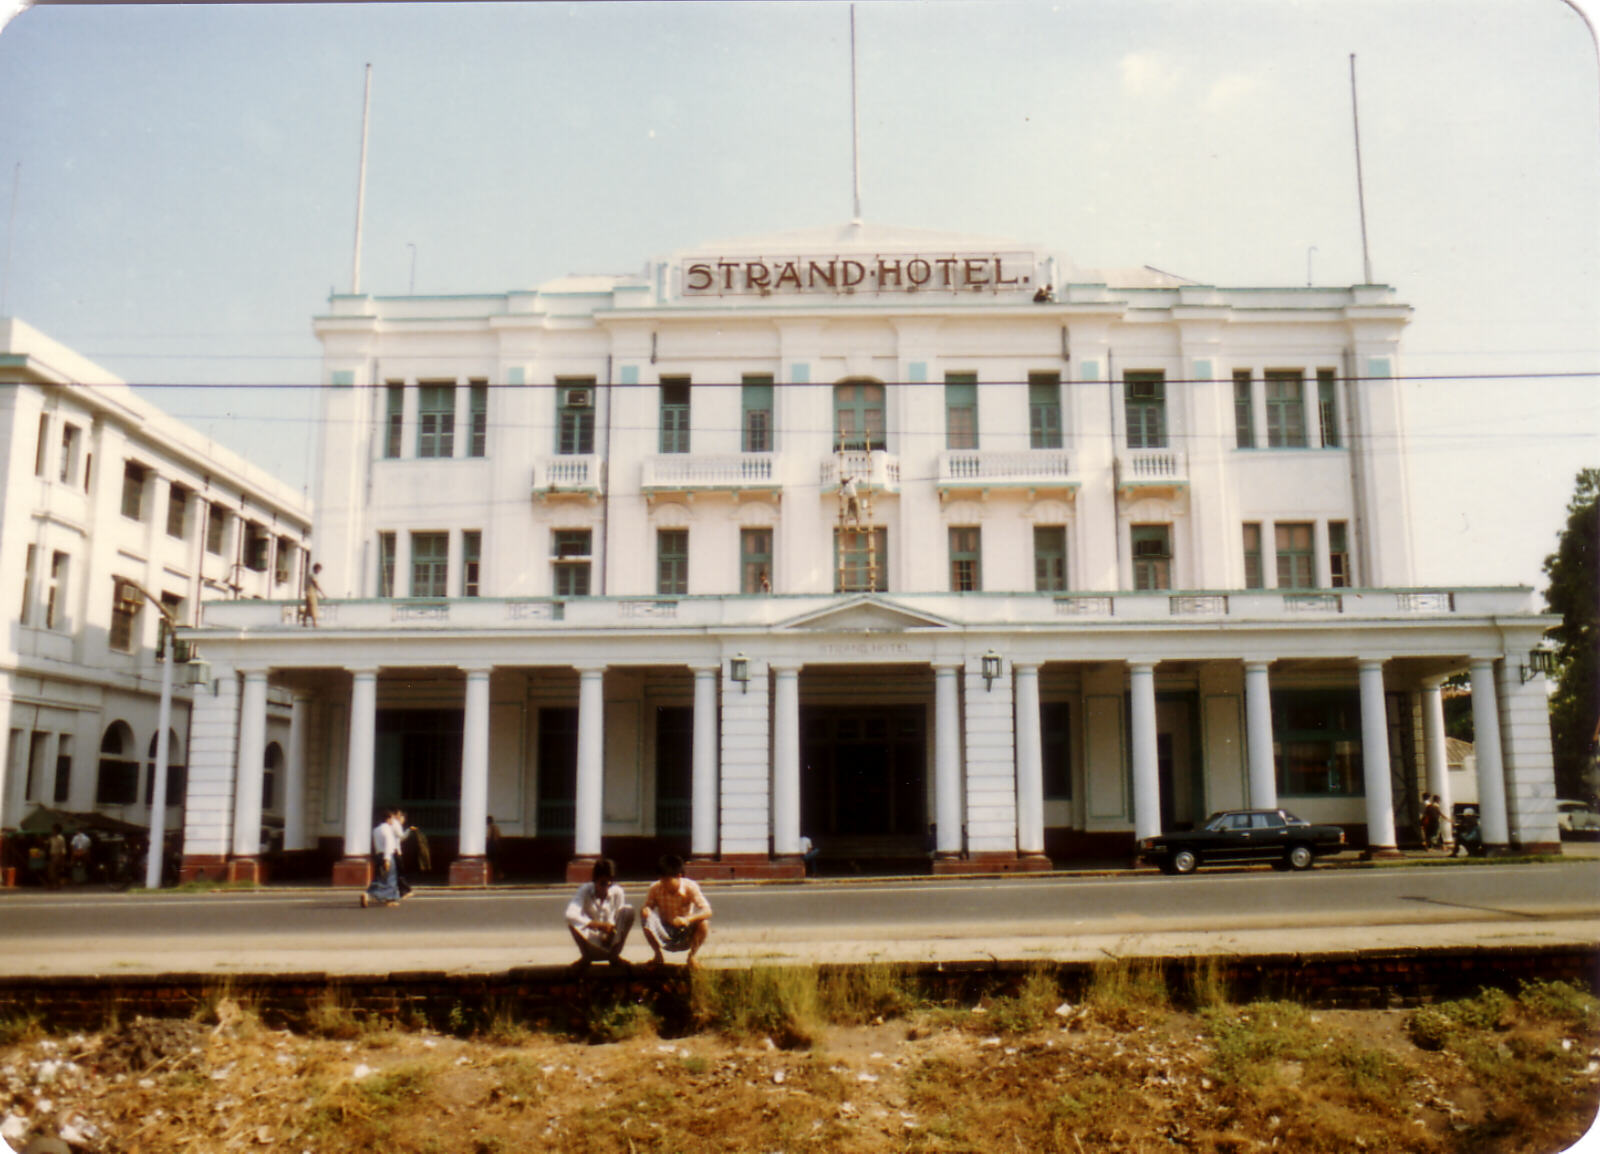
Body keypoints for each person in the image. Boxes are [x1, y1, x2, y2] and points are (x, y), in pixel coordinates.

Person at [641, 853, 712, 969]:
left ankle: (692, 956)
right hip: (665, 931)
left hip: (684, 931)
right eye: (661, 879)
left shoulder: (690, 886)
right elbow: (647, 907)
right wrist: (646, 910)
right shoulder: (655, 888)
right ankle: (658, 956)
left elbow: (707, 911)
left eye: (667, 880)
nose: (664, 883)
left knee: (704, 923)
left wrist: (687, 919)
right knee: (646, 919)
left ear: (679, 876)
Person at [565, 857, 635, 970]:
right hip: (591, 939)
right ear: (595, 880)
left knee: (628, 910)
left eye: (610, 883)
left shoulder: (617, 892)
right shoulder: (585, 890)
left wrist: (611, 931)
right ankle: (586, 957)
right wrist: (598, 925)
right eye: (603, 883)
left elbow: (619, 916)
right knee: (572, 922)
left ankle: (614, 957)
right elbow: (570, 914)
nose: (606, 887)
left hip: (611, 941)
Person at [360, 808, 408, 907]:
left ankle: (369, 893)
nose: (393, 821)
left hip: (378, 855)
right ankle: (386, 898)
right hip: (387, 855)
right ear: (387, 819)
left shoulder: (376, 830)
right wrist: (387, 859)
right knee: (390, 878)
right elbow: (389, 845)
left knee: (380, 878)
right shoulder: (387, 830)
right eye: (391, 819)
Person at [45, 824, 67, 890]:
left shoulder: (60, 838)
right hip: (52, 855)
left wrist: (62, 858)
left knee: (52, 871)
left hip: (57, 855)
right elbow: (48, 843)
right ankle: (56, 885)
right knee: (52, 871)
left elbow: (63, 848)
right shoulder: (51, 838)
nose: (53, 831)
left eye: (54, 829)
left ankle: (55, 885)